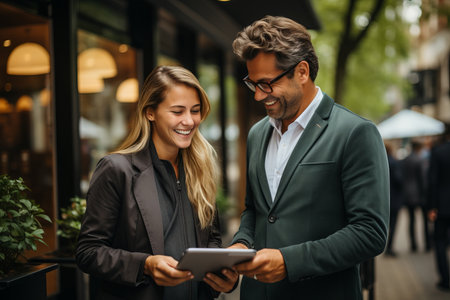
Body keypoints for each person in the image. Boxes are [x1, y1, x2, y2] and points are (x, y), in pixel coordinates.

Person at [228, 16, 389, 300]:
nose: (258, 96)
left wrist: (290, 262)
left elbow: (370, 232)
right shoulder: (256, 134)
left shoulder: (355, 133)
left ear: (301, 72)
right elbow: (255, 211)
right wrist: (241, 243)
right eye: (253, 85)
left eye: (266, 84)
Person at [76, 65, 238, 300]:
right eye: (177, 111)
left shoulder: (200, 169)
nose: (189, 121)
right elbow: (88, 252)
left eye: (195, 110)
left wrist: (222, 278)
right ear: (150, 112)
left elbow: (211, 239)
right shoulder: (116, 169)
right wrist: (145, 265)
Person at [428, 128, 450, 291]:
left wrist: (431, 207)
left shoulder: (438, 152)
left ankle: (445, 279)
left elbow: (432, 181)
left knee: (440, 242)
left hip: (442, 206)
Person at [401, 141, 431, 252]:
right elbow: (423, 179)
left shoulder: (405, 160)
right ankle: (427, 244)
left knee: (411, 220)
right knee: (424, 221)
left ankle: (413, 244)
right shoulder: (420, 160)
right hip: (420, 194)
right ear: (418, 148)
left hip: (407, 194)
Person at [385, 143, 404, 257]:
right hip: (394, 199)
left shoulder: (381, 161)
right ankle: (389, 248)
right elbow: (399, 180)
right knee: (393, 225)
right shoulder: (393, 162)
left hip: (384, 199)